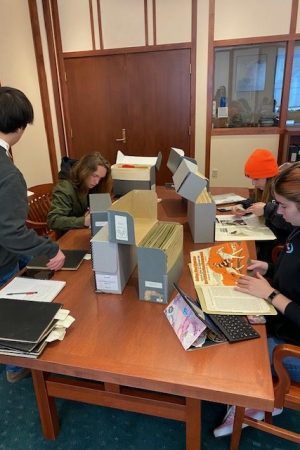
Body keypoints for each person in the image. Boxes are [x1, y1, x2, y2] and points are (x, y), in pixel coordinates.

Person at [214, 162, 300, 438]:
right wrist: (268, 269)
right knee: (227, 321)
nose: (280, 213)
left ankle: (255, 403)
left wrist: (271, 295)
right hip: (284, 326)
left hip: (292, 346)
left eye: (285, 206)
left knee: (236, 353)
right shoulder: (297, 231)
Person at [0, 86, 65, 382]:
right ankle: (15, 366)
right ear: (20, 127)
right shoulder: (8, 173)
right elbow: (11, 233)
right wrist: (50, 249)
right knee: (11, 310)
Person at [231, 148, 293, 262]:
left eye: (256, 179)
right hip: (265, 241)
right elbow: (254, 200)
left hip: (276, 249)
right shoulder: (263, 188)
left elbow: (289, 224)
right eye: (251, 179)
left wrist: (266, 210)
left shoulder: (282, 192)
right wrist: (242, 205)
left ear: (269, 177)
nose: (253, 183)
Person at [47, 152, 112, 237]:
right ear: (84, 171)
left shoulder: (89, 183)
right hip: (67, 237)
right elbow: (53, 220)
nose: (97, 182)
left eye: (100, 178)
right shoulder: (65, 188)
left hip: (80, 231)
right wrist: (84, 221)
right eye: (94, 176)